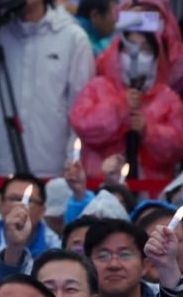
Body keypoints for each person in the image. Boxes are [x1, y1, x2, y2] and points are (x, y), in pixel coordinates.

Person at [0, 0, 94, 178]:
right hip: (5, 158)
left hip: (53, 159)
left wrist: (73, 157)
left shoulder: (72, 37)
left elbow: (81, 105)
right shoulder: (1, 35)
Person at [70, 19, 183, 183]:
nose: (136, 56)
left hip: (151, 189)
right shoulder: (98, 87)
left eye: (145, 49)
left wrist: (148, 131)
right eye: (130, 48)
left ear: (156, 56)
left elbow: (178, 146)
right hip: (100, 184)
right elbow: (83, 125)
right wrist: (120, 106)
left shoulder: (167, 98)